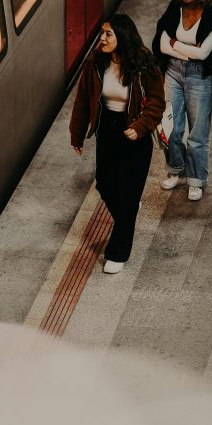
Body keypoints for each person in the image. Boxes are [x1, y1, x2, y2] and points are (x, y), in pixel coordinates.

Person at [70, 14, 165, 273]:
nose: (102, 38)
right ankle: (129, 210)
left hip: (134, 133)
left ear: (123, 36)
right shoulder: (95, 62)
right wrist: (76, 135)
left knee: (129, 191)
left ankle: (118, 252)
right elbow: (83, 99)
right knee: (105, 183)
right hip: (107, 130)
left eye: (108, 34)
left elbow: (157, 102)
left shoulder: (144, 64)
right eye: (102, 33)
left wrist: (140, 127)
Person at [152, 0, 212, 201]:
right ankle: (176, 168)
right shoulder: (175, 8)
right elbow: (161, 44)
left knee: (197, 134)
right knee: (170, 127)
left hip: (200, 77)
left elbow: (204, 54)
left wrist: (176, 45)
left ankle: (196, 179)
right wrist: (186, 50)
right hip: (172, 72)